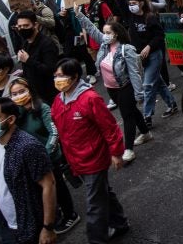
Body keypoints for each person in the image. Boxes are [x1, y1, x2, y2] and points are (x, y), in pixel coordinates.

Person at [51, 59, 130, 243]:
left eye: (62, 75)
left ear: (75, 76)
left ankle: (96, 239)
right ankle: (120, 223)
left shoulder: (90, 99)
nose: (58, 79)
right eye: (56, 76)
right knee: (103, 193)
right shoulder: (58, 100)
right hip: (75, 159)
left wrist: (116, 153)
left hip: (94, 159)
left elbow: (109, 128)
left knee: (94, 204)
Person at [73, 6, 149, 160]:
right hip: (110, 88)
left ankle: (128, 149)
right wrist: (79, 14)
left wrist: (139, 93)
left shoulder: (126, 49)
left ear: (117, 34)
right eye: (105, 33)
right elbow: (92, 30)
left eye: (108, 33)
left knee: (127, 116)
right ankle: (146, 132)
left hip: (124, 87)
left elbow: (134, 73)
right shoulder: (104, 45)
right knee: (131, 111)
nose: (105, 35)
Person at [8, 78, 80, 236]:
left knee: (58, 186)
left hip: (49, 157)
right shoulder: (16, 114)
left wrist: (45, 154)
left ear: (30, 91)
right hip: (31, 160)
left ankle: (71, 215)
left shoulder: (42, 108)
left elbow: (54, 133)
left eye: (21, 91)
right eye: (14, 94)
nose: (18, 96)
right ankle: (55, 213)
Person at [0, 97, 56, 244]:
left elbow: (49, 184)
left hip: (31, 227)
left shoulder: (28, 147)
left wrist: (48, 227)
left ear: (10, 120)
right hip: (8, 226)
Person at [120, 0, 178, 127]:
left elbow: (159, 36)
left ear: (141, 3)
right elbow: (120, 3)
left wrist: (149, 46)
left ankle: (147, 116)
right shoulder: (130, 17)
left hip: (154, 55)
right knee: (157, 82)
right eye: (130, 4)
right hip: (140, 57)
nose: (131, 6)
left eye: (134, 4)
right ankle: (172, 104)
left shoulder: (150, 17)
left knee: (148, 85)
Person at [15, 10, 59, 104]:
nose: (22, 29)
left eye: (26, 26)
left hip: (50, 94)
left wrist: (28, 60)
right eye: (19, 26)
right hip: (35, 93)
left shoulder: (47, 44)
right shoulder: (25, 43)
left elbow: (51, 70)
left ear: (35, 25)